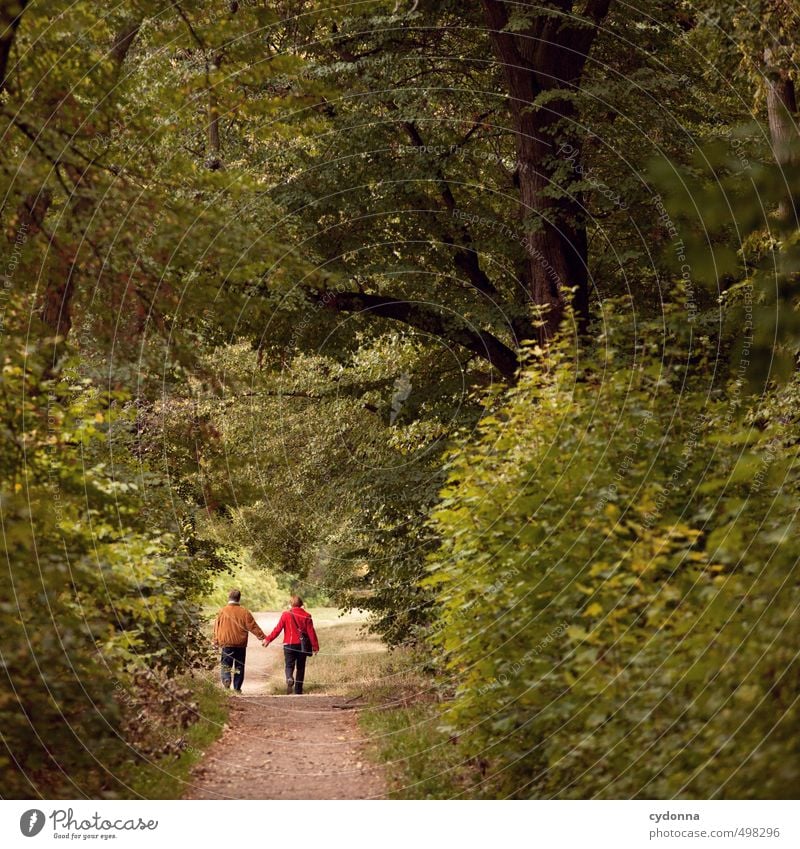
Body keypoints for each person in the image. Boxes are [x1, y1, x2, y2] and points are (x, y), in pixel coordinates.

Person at [212, 589, 268, 693]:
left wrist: (215, 642)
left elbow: (216, 628)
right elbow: (253, 626)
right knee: (239, 666)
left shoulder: (222, 611)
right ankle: (237, 688)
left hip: (226, 643)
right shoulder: (244, 612)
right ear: (239, 598)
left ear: (229, 598)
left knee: (226, 664)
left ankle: (226, 680)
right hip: (240, 644)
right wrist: (263, 638)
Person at [264, 595, 319, 694]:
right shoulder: (307, 615)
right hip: (302, 645)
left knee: (289, 665)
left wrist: (268, 639)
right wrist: (315, 646)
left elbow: (277, 629)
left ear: (291, 604)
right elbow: (311, 632)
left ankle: (289, 678)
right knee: (300, 667)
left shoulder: (286, 614)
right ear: (301, 604)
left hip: (288, 644)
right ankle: (298, 690)